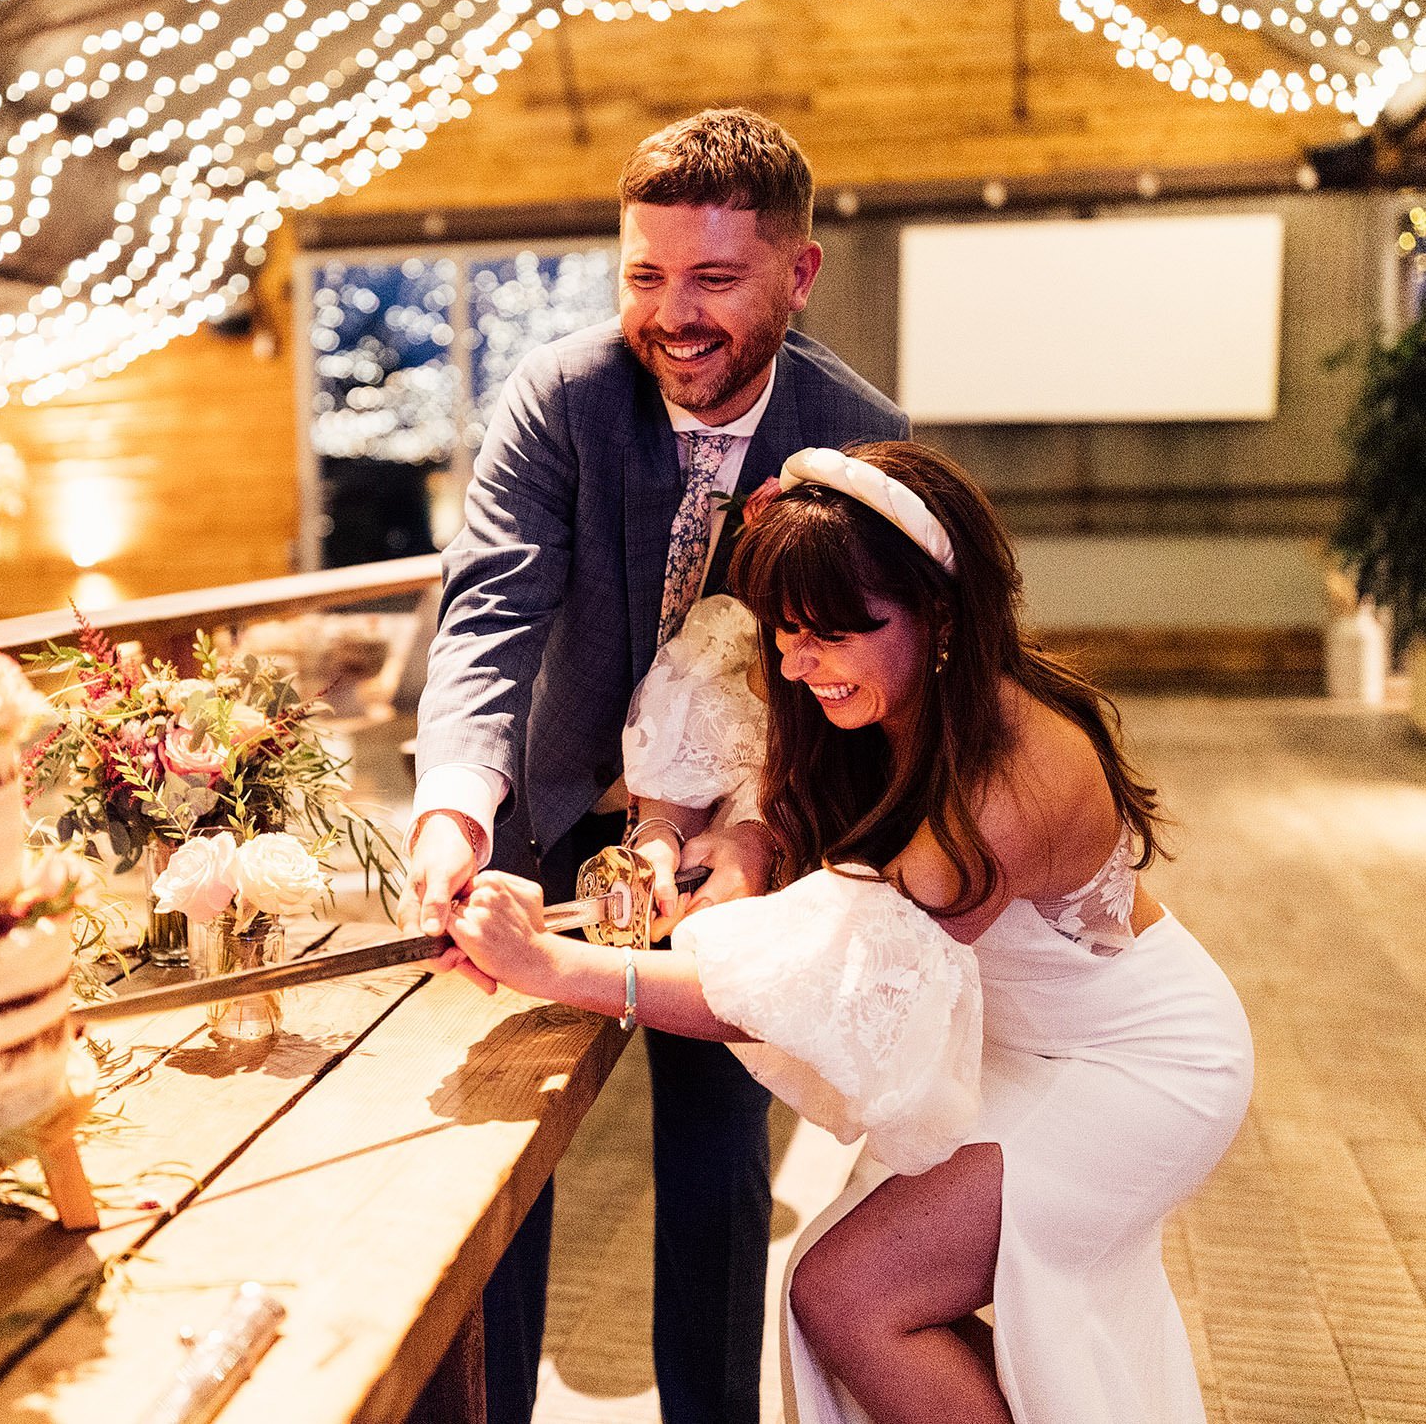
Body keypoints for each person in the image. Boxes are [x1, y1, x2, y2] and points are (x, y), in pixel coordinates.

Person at [442, 439, 1256, 1424]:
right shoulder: (908, 690)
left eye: (833, 633)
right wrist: (745, 840)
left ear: (941, 615)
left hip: (1141, 1072)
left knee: (849, 1293)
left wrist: (549, 965)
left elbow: (813, 992)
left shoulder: (1003, 794)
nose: (797, 662)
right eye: (786, 630)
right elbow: (782, 779)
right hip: (1025, 1045)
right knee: (849, 1292)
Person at [408, 107, 907, 1424]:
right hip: (550, 803)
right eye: (645, 274)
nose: (671, 314)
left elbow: (850, 688)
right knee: (501, 1143)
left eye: (713, 279)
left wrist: (756, 833)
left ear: (798, 275)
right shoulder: (562, 396)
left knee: (713, 1152)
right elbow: (493, 608)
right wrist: (456, 803)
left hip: (749, 827)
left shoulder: (857, 438)